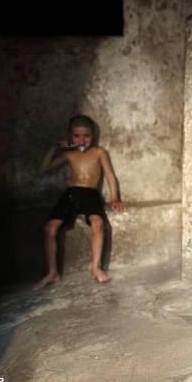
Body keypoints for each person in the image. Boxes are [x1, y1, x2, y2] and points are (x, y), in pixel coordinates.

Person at [33, 115, 125, 291]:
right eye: (77, 136)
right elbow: (45, 168)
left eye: (86, 136)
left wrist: (115, 198)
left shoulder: (99, 152)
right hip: (70, 194)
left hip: (90, 194)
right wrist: (54, 148)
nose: (81, 140)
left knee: (98, 223)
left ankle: (96, 268)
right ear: (70, 135)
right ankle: (52, 272)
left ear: (93, 135)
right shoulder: (69, 153)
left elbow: (110, 176)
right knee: (50, 228)